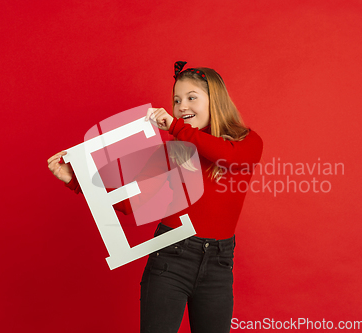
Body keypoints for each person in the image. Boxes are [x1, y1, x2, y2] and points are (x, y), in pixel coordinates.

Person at [47, 61, 263, 332]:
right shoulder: (173, 151)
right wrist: (75, 181)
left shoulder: (247, 142)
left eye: (191, 98)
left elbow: (229, 157)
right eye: (176, 100)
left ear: (215, 101)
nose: (181, 106)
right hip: (171, 258)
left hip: (219, 264)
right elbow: (129, 203)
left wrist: (176, 128)